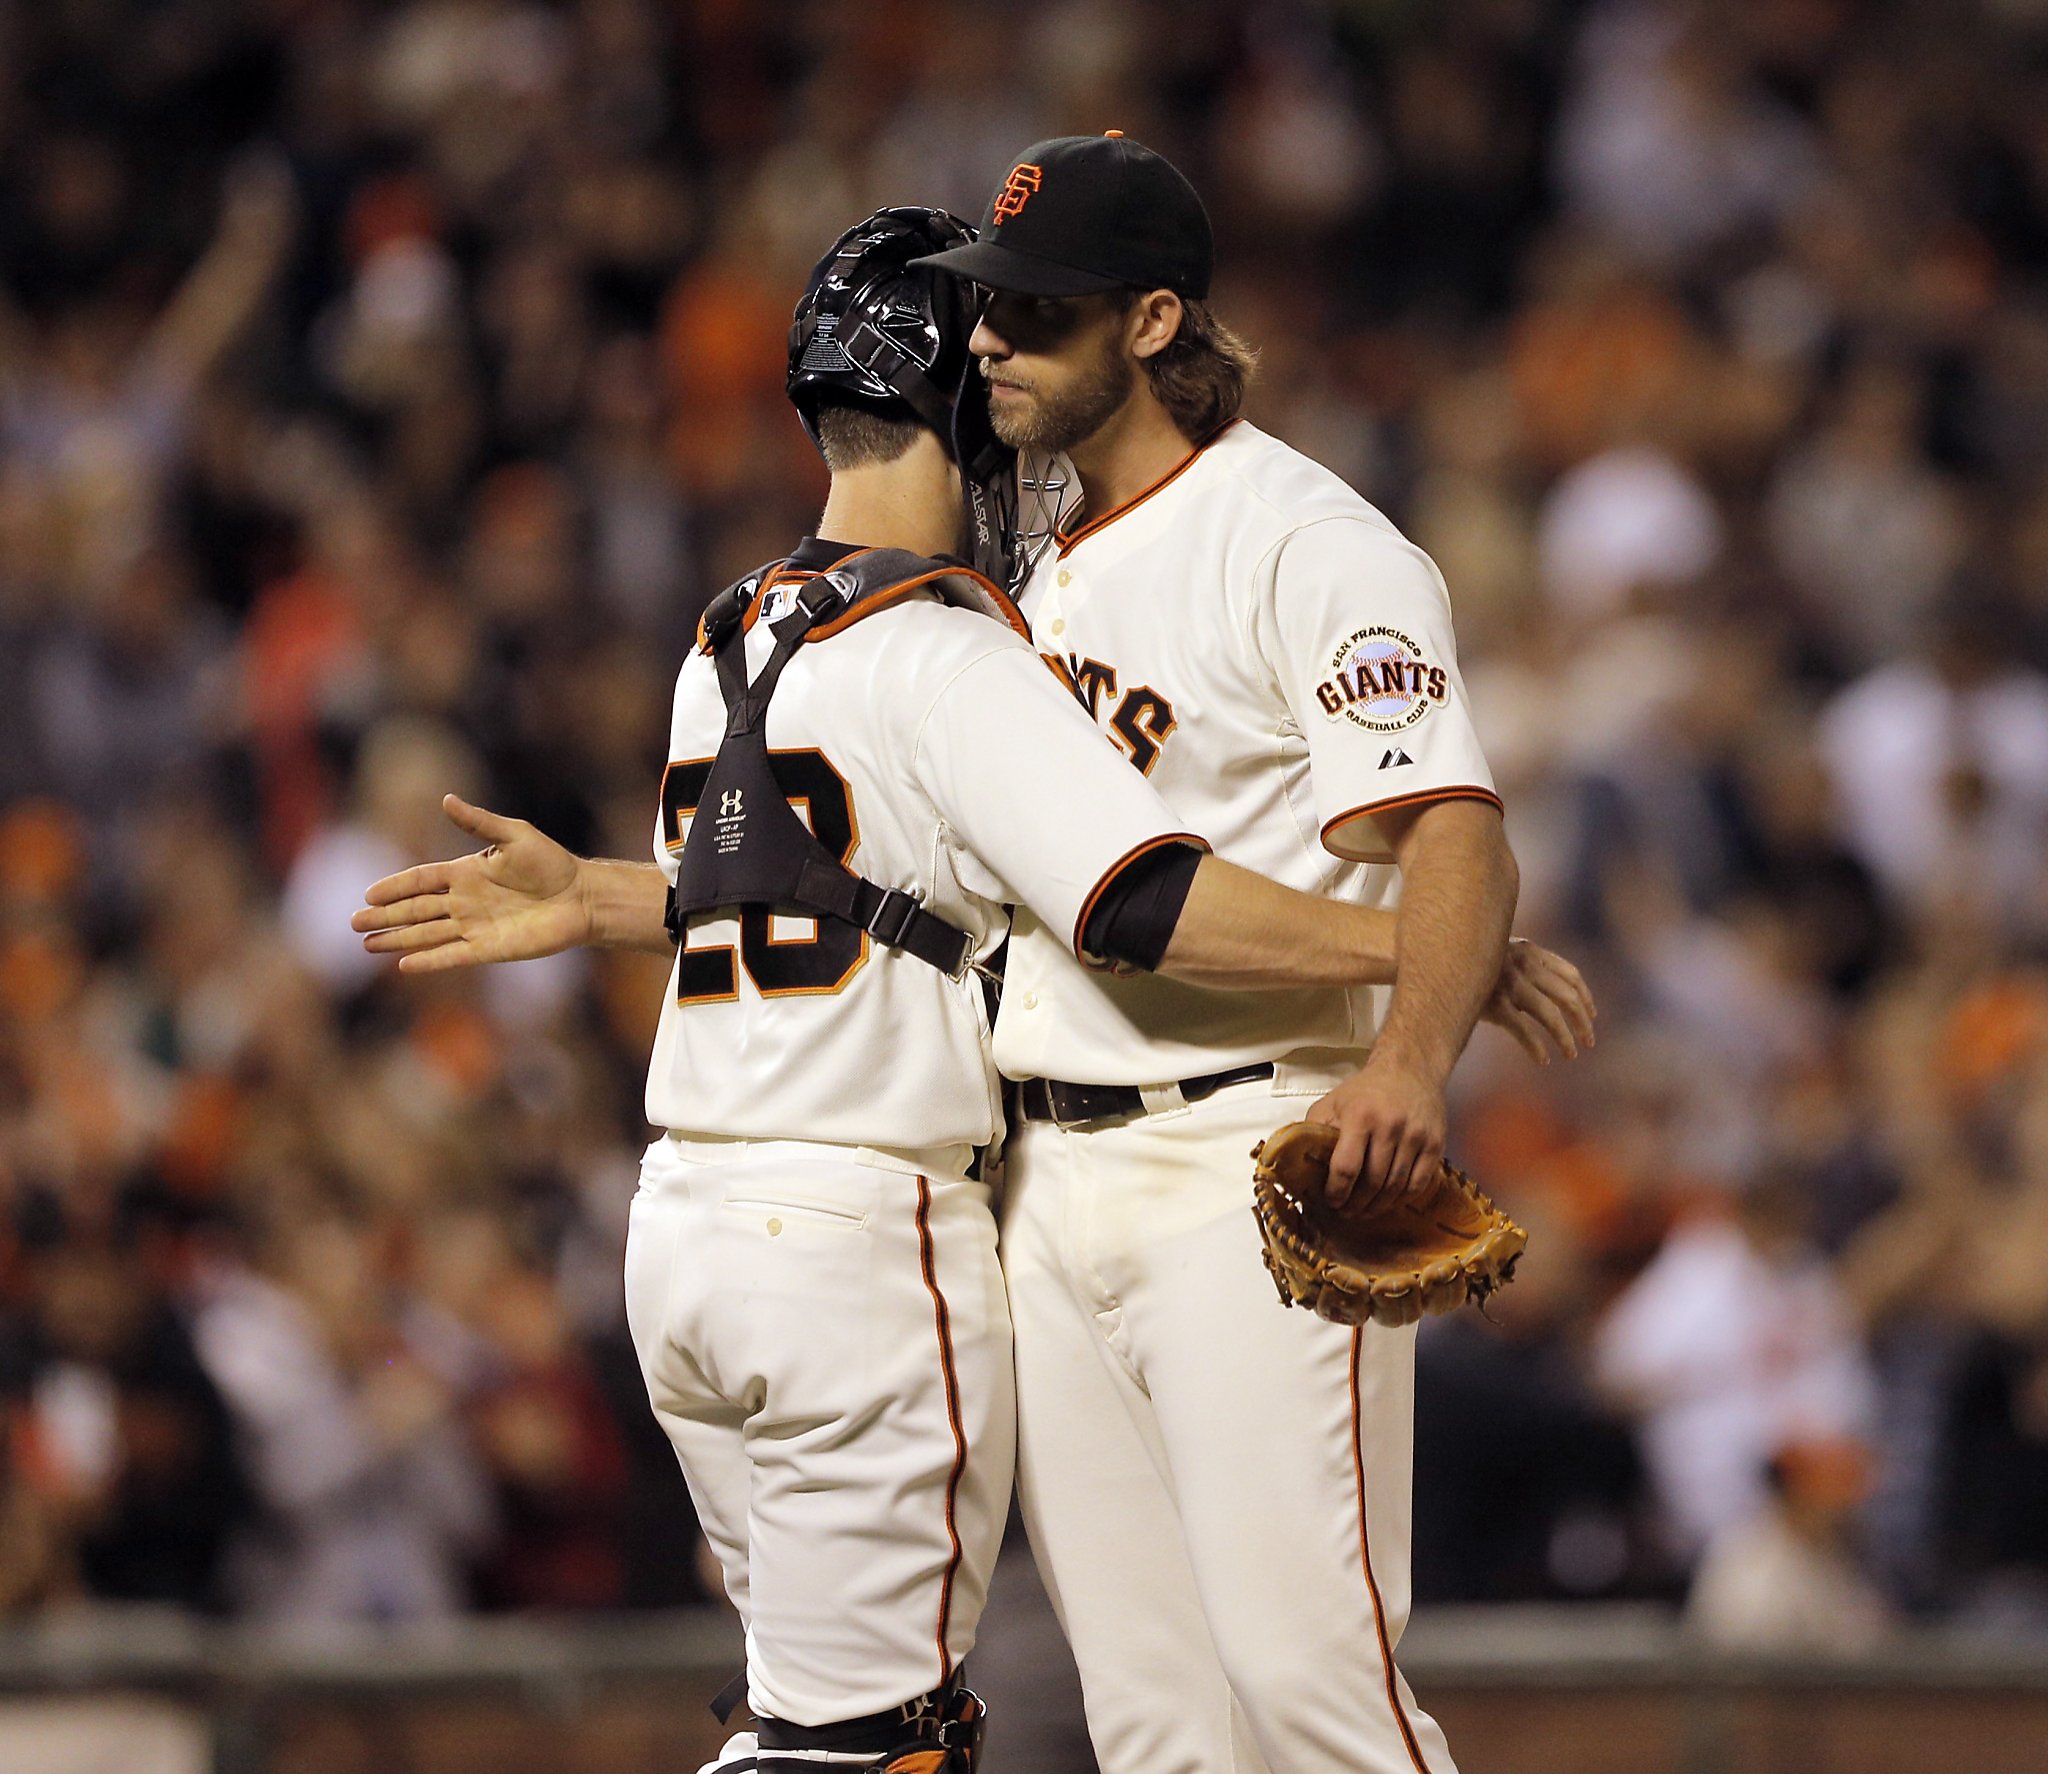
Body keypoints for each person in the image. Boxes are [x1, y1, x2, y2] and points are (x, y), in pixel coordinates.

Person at [353, 208, 1592, 1774]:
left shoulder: (725, 641)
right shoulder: (948, 650)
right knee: (873, 1741)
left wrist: (611, 896)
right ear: (961, 402)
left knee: (824, 1717)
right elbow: (1137, 900)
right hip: (858, 1247)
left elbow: (829, 893)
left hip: (686, 1237)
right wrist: (1428, 955)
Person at [915, 134, 1577, 1773]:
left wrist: (1413, 1055)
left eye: (1035, 315)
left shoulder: (1305, 538)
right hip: (1048, 1181)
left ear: (1152, 322)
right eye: (988, 310)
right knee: (1158, 1728)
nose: (990, 341)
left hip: (1247, 1158)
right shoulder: (1040, 566)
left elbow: (1455, 830)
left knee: (1310, 1688)